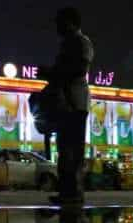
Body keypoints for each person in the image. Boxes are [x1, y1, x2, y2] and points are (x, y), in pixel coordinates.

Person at [40, 7, 94, 205]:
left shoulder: (81, 42)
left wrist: (52, 73)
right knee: (65, 149)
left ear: (70, 22)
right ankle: (67, 192)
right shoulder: (68, 44)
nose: (57, 27)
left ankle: (74, 193)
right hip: (65, 103)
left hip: (75, 103)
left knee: (72, 150)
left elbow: (78, 69)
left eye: (59, 22)